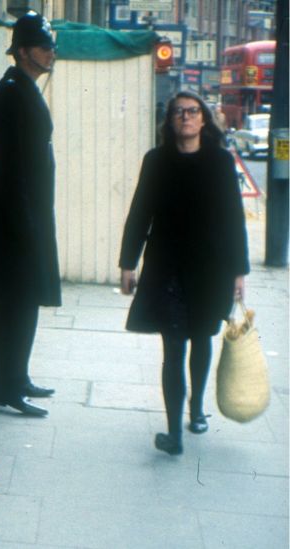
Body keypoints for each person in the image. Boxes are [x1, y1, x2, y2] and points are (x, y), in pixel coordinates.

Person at [119, 91, 249, 456]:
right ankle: (174, 432)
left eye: (192, 112)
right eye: (179, 112)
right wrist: (128, 263)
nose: (186, 118)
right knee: (173, 347)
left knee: (202, 339)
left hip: (211, 270)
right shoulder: (156, 161)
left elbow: (234, 218)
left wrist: (239, 271)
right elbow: (140, 212)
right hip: (167, 270)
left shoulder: (221, 162)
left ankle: (196, 410)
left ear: (204, 119)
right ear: (170, 121)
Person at [0, 11, 60, 418]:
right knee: (13, 301)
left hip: (26, 216)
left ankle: (16, 377)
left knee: (24, 300)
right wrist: (27, 226)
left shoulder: (22, 88)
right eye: (43, 47)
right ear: (23, 52)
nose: (51, 53)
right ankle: (4, 386)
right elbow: (11, 168)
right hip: (14, 220)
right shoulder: (11, 93)